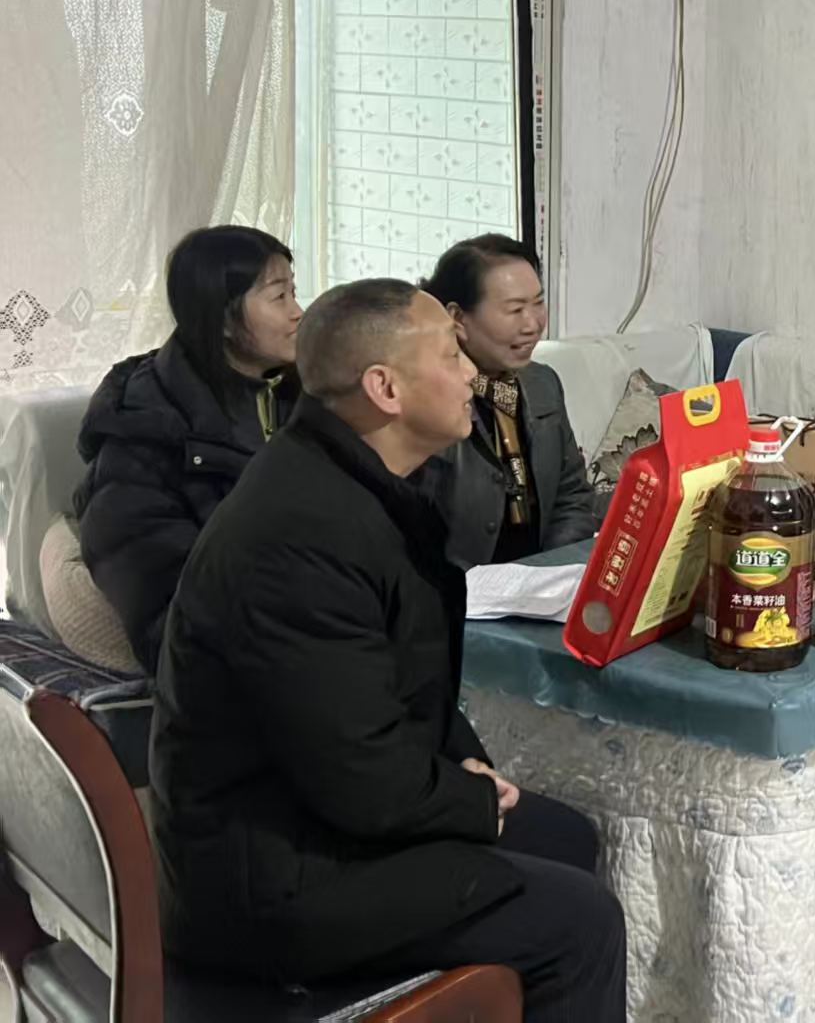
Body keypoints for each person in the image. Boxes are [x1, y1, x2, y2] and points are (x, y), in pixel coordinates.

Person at [149, 279, 626, 1020]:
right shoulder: (299, 538)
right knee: (581, 922)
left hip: (320, 814)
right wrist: (468, 800)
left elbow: (401, 680)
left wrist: (464, 766)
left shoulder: (355, 478)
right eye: (451, 355)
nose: (472, 375)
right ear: (385, 388)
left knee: (564, 836)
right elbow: (359, 776)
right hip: (273, 876)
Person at [73, 226, 303, 671]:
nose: (299, 312)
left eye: (294, 291)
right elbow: (165, 611)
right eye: (279, 297)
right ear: (223, 318)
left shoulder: (307, 393)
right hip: (247, 656)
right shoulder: (144, 437)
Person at [418, 234, 598, 569]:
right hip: (461, 591)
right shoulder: (428, 400)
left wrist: (551, 570)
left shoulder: (542, 383)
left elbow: (572, 495)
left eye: (538, 303)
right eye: (515, 310)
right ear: (457, 318)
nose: (533, 324)